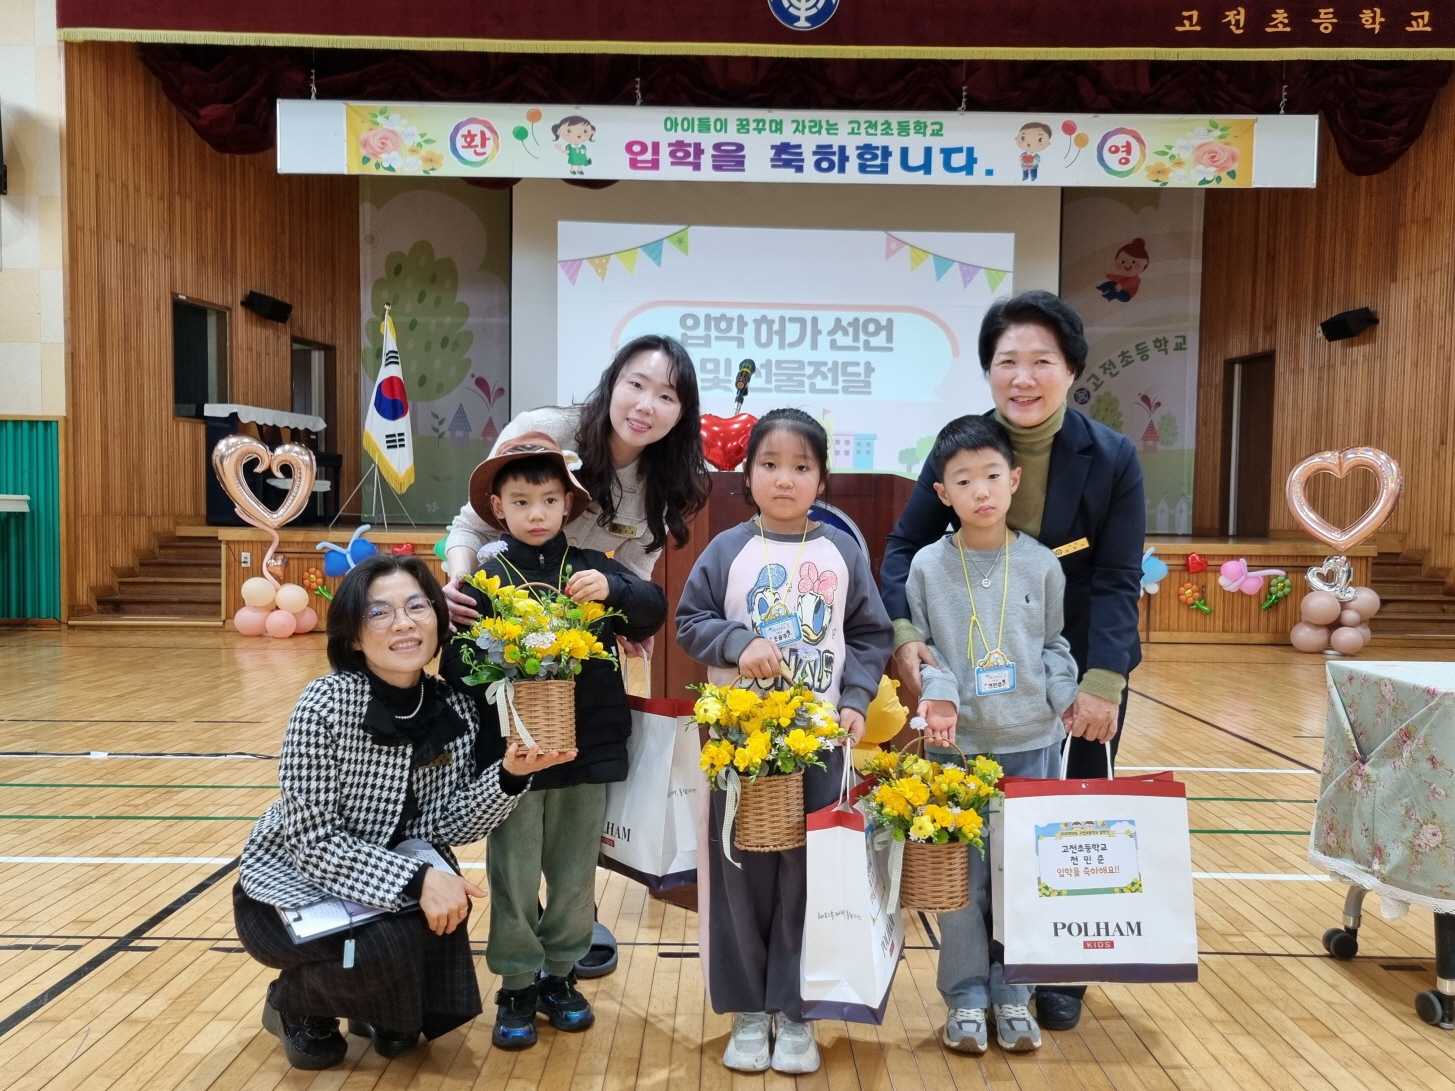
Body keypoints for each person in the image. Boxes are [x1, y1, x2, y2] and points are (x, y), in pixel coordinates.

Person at [879, 289, 1144, 1032]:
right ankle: (974, 983)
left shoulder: (1112, 456)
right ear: (988, 370)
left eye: (1041, 361)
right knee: (971, 843)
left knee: (1066, 827)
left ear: (1071, 370)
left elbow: (1117, 576)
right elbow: (903, 547)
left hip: (1072, 665)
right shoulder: (963, 447)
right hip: (969, 678)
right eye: (1006, 362)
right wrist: (904, 633)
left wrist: (1101, 681)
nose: (1022, 378)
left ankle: (1055, 968)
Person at [234, 554, 574, 1070]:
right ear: (353, 636)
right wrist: (416, 881)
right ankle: (295, 1005)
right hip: (291, 888)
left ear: (438, 618)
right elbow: (311, 841)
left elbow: (447, 823)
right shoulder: (324, 704)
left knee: (440, 927)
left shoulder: (452, 707)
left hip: (385, 881)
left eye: (417, 606)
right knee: (389, 940)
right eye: (380, 612)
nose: (404, 623)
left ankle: (378, 1009)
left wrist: (509, 775)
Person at [442, 333, 710, 976]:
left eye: (666, 395)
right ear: (612, 383)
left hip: (579, 618)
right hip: (513, 606)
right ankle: (519, 959)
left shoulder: (667, 476)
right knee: (517, 814)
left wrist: (625, 606)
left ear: (682, 411)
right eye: (635, 384)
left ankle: (568, 933)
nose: (645, 404)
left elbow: (639, 562)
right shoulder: (544, 430)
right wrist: (460, 586)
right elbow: (474, 521)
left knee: (576, 811)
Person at [675, 408, 893, 1075]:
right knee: (739, 877)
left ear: (822, 479)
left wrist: (854, 700)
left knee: (809, 876)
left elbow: (870, 634)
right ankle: (748, 1009)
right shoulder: (727, 550)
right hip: (741, 745)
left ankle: (796, 1009)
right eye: (769, 464)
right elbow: (690, 621)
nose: (785, 478)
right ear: (746, 476)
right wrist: (737, 642)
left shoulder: (842, 550)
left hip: (819, 744)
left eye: (801, 466)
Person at [439, 433, 667, 1050]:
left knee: (573, 879)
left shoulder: (591, 568)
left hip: (585, 752)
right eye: (521, 502)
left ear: (569, 504)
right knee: (512, 876)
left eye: (548, 500)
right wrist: (493, 657)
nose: (536, 514)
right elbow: (455, 666)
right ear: (498, 509)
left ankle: (561, 976)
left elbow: (652, 610)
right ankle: (516, 985)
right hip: (512, 761)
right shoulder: (484, 579)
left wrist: (616, 592)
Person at [906, 415, 1080, 1054]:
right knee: (961, 881)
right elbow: (925, 652)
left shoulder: (1040, 563)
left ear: (1014, 480)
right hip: (955, 749)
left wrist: (1065, 696)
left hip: (1032, 743)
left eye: (990, 476)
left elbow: (1054, 645)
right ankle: (965, 998)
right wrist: (941, 695)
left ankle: (1015, 994)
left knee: (1020, 878)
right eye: (962, 480)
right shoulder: (928, 566)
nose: (979, 491)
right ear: (942, 493)